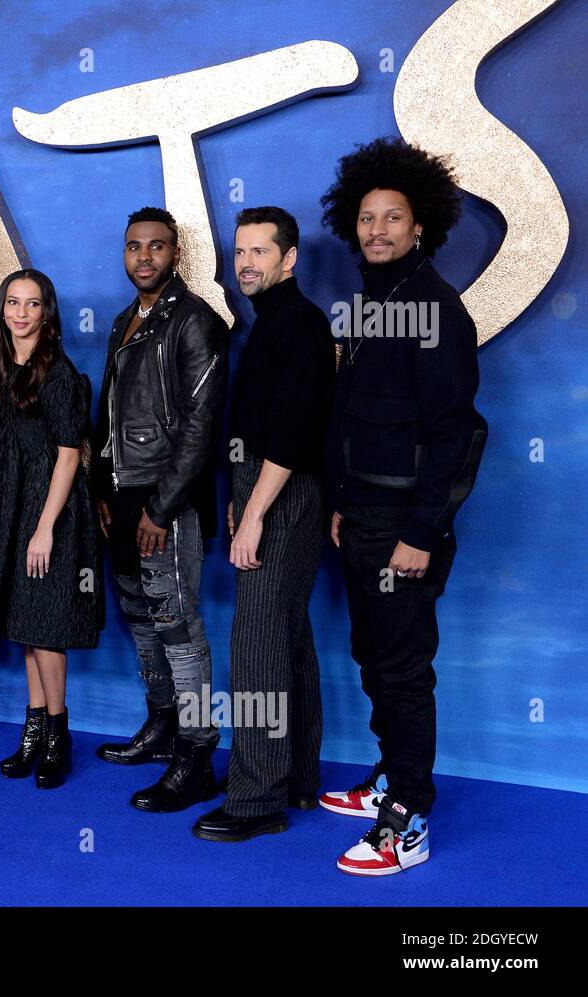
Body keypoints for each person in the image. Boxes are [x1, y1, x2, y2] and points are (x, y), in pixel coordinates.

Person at [317, 137, 487, 875]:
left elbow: (458, 432)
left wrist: (422, 531)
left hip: (405, 530)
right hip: (361, 518)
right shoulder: (369, 302)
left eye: (393, 218)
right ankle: (391, 775)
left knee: (405, 668)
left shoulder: (436, 309)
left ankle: (409, 820)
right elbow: (354, 416)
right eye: (367, 218)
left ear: (421, 227)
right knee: (374, 657)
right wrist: (341, 502)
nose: (378, 229)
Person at [191, 207, 335, 842]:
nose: (245, 263)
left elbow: (293, 435)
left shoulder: (298, 325)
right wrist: (240, 494)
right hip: (269, 485)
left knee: (255, 646)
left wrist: (252, 514)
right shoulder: (271, 324)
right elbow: (261, 429)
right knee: (286, 635)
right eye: (239, 252)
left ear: (290, 258)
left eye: (259, 252)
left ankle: (255, 799)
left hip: (283, 491)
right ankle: (298, 779)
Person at [91, 206, 229, 812]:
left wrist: (161, 507)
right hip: (122, 498)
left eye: (156, 247)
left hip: (165, 503)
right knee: (141, 619)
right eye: (134, 247)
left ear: (175, 254)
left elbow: (202, 427)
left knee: (178, 626)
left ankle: (198, 754)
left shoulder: (194, 320)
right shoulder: (126, 320)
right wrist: (102, 489)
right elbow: (110, 418)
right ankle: (163, 725)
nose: (144, 256)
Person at [0, 269, 102, 789]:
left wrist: (45, 528)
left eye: (32, 305)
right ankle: (34, 728)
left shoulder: (60, 374)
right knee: (26, 625)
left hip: (52, 512)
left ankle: (58, 736)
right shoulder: (1, 365)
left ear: (47, 313)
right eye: (13, 304)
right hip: (11, 507)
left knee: (46, 628)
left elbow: (70, 456)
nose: (21, 314)